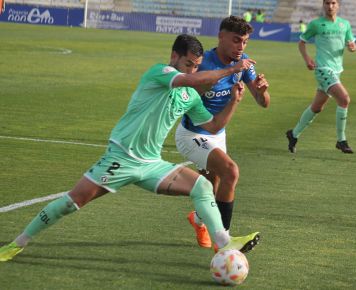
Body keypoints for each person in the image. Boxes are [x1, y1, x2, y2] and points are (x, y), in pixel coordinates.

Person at [0, 34, 261, 262]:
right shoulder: (160, 73)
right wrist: (232, 69)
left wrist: (235, 101)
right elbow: (190, 80)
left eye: (196, 66)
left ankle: (223, 242)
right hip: (121, 157)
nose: (192, 71)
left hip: (151, 165)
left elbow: (213, 126)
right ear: (174, 57)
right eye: (188, 64)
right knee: (73, 202)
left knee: (202, 186)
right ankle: (18, 243)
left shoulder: (190, 95)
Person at [175, 16, 270, 249]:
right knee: (231, 171)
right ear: (221, 37)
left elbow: (263, 103)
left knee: (211, 186)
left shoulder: (244, 62)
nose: (241, 47)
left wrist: (261, 91)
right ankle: (225, 241)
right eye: (236, 41)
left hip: (218, 133)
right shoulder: (204, 62)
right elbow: (193, 88)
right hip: (192, 134)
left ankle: (198, 220)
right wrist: (231, 71)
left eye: (245, 42)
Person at [286, 0, 356, 154]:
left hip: (337, 71)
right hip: (323, 69)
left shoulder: (345, 24)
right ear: (323, 5)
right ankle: (341, 140)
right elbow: (302, 42)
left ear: (338, 5)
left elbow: (351, 43)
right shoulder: (316, 24)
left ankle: (294, 134)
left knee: (317, 107)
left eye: (333, 3)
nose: (330, 6)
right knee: (344, 99)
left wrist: (352, 47)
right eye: (327, 3)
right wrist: (307, 60)